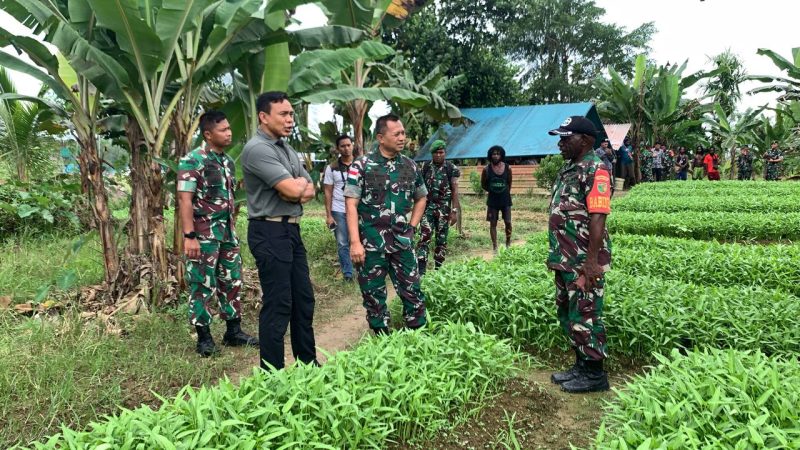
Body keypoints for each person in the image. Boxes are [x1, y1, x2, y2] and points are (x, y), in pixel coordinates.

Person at [241, 91, 318, 371]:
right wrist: (294, 189)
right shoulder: (257, 149)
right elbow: (292, 188)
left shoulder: (285, 148)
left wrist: (295, 190)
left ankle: (308, 365)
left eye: (291, 114)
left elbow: (309, 188)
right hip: (269, 232)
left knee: (303, 300)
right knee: (279, 303)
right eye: (283, 114)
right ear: (264, 117)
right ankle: (272, 374)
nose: (290, 119)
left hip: (291, 232)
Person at [177, 110, 258, 357]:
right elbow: (184, 198)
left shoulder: (227, 162)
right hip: (203, 235)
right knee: (202, 284)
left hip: (227, 235)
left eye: (229, 128)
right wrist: (189, 236)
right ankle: (204, 337)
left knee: (231, 281)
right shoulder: (192, 160)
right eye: (223, 130)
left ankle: (233, 331)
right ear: (208, 134)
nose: (229, 133)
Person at [344, 114, 428, 335]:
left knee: (412, 290)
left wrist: (413, 225)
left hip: (402, 241)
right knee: (373, 294)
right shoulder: (361, 166)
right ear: (381, 137)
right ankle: (382, 340)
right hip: (370, 243)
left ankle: (417, 336)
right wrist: (355, 242)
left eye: (403, 133)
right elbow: (350, 204)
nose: (403, 137)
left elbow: (421, 197)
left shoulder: (410, 165)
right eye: (397, 133)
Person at [546, 116, 611, 393]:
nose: (560, 143)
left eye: (566, 138)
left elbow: (598, 217)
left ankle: (595, 374)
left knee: (586, 313)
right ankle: (582, 365)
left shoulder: (596, 169)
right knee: (570, 312)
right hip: (565, 257)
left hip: (583, 259)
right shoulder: (571, 168)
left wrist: (591, 262)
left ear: (584, 140)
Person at [416, 139, 461, 275]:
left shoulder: (451, 168)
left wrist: (454, 211)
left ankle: (438, 270)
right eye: (436, 153)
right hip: (427, 209)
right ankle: (422, 272)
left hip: (443, 210)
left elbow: (454, 190)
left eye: (441, 152)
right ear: (432, 154)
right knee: (424, 238)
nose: (439, 155)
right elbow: (419, 188)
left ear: (445, 153)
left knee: (441, 240)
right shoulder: (425, 167)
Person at [323, 135, 356, 282]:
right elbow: (328, 191)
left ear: (352, 145)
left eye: (348, 145)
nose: (346, 148)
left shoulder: (360, 164)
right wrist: (329, 215)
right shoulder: (332, 168)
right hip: (339, 209)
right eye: (343, 146)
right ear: (338, 149)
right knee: (342, 242)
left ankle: (362, 270)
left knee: (360, 239)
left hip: (358, 209)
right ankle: (348, 274)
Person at [481, 146, 513, 252]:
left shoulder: (508, 168)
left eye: (498, 154)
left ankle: (508, 242)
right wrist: (493, 190)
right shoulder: (486, 169)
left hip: (505, 200)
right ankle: (495, 247)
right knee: (493, 223)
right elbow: (483, 185)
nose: (495, 156)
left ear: (501, 155)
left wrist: (503, 192)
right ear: (490, 155)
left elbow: (509, 183)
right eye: (493, 154)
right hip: (492, 201)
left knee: (508, 222)